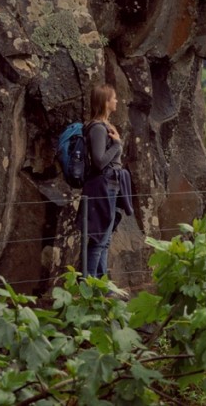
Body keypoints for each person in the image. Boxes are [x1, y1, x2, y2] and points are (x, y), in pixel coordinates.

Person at [78, 83, 134, 279]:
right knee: (99, 238)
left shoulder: (105, 127)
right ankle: (88, 283)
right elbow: (99, 162)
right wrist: (117, 145)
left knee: (106, 238)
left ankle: (100, 283)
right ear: (105, 102)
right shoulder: (98, 129)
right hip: (103, 185)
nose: (117, 101)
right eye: (114, 98)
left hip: (111, 184)